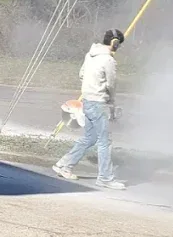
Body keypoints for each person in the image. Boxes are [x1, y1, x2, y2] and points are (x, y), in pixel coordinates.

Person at [54, 29, 126, 189]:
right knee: (104, 142)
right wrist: (111, 101)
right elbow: (111, 84)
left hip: (87, 101)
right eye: (118, 44)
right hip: (98, 103)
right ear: (115, 43)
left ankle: (63, 165)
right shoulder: (108, 60)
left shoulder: (90, 55)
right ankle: (105, 178)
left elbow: (81, 75)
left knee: (90, 138)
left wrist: (91, 84)